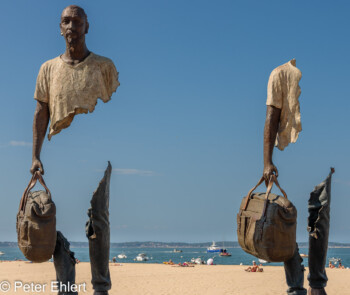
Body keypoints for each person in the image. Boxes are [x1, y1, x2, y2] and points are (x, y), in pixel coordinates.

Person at [31, 5, 119, 295]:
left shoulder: (104, 66)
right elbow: (41, 112)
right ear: (60, 28)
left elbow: (115, 112)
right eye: (66, 21)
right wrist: (35, 155)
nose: (71, 26)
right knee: (52, 218)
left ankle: (100, 287)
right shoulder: (48, 68)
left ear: (87, 27)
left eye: (77, 21)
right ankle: (66, 285)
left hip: (97, 156)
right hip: (58, 154)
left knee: (99, 222)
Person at [263, 59, 333, 295]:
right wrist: (267, 161)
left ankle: (316, 285)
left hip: (328, 161)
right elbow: (270, 118)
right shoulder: (279, 74)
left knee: (320, 221)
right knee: (286, 222)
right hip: (288, 159)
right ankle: (296, 287)